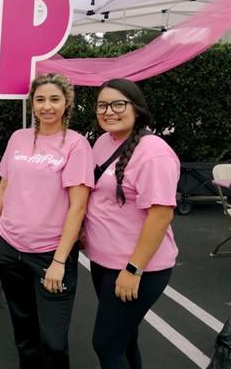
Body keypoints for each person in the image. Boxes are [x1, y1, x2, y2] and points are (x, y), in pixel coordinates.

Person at [0, 73, 94, 369]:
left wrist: (58, 261)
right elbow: (4, 186)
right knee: (23, 328)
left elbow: (78, 207)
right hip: (8, 247)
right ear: (33, 103)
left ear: (67, 103)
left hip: (49, 255)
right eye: (40, 99)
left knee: (53, 341)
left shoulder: (76, 145)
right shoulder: (19, 137)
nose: (47, 106)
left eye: (54, 99)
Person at [85, 78, 179, 369]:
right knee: (124, 339)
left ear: (136, 108)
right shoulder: (103, 142)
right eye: (102, 105)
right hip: (102, 262)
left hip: (137, 268)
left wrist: (133, 269)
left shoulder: (154, 152)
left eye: (118, 104)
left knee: (106, 344)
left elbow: (161, 215)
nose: (109, 111)